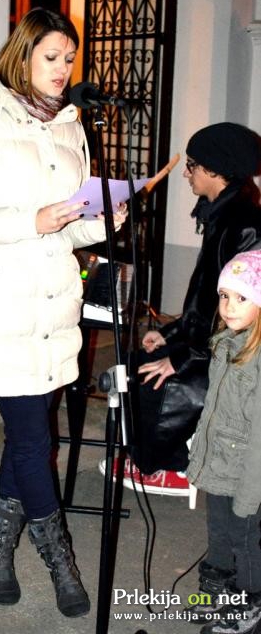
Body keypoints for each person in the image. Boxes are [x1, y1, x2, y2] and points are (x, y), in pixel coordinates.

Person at [0, 7, 128, 618]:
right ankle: (59, 559)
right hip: (2, 304)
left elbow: (67, 227)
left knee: (32, 436)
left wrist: (100, 220)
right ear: (22, 55)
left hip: (53, 306)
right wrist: (32, 220)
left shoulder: (70, 125)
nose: (63, 69)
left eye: (69, 59)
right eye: (52, 57)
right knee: (30, 438)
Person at [100, 122, 261, 494]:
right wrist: (171, 333)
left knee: (149, 378)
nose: (186, 173)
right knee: (134, 364)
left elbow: (237, 317)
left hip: (234, 356)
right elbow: (205, 299)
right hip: (209, 344)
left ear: (215, 170)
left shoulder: (244, 225)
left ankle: (169, 467)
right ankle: (154, 456)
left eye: (192, 165)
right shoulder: (223, 214)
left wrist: (182, 358)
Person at [184, 249, 261, 634]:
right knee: (218, 531)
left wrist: (249, 494)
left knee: (245, 541)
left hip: (247, 474)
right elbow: (213, 409)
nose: (229, 306)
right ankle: (216, 587)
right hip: (219, 463)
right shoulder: (226, 343)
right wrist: (200, 454)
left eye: (242, 297)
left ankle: (250, 604)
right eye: (224, 295)